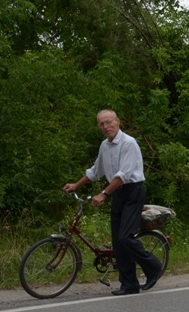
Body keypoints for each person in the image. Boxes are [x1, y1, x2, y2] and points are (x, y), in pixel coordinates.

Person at [63, 109, 163, 296]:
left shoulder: (129, 143)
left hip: (133, 192)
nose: (105, 126)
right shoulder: (104, 145)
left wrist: (103, 194)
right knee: (118, 243)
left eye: (108, 122)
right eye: (101, 124)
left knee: (125, 236)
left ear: (117, 122)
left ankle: (153, 266)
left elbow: (123, 176)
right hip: (117, 193)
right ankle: (129, 284)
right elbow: (95, 171)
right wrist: (76, 185)